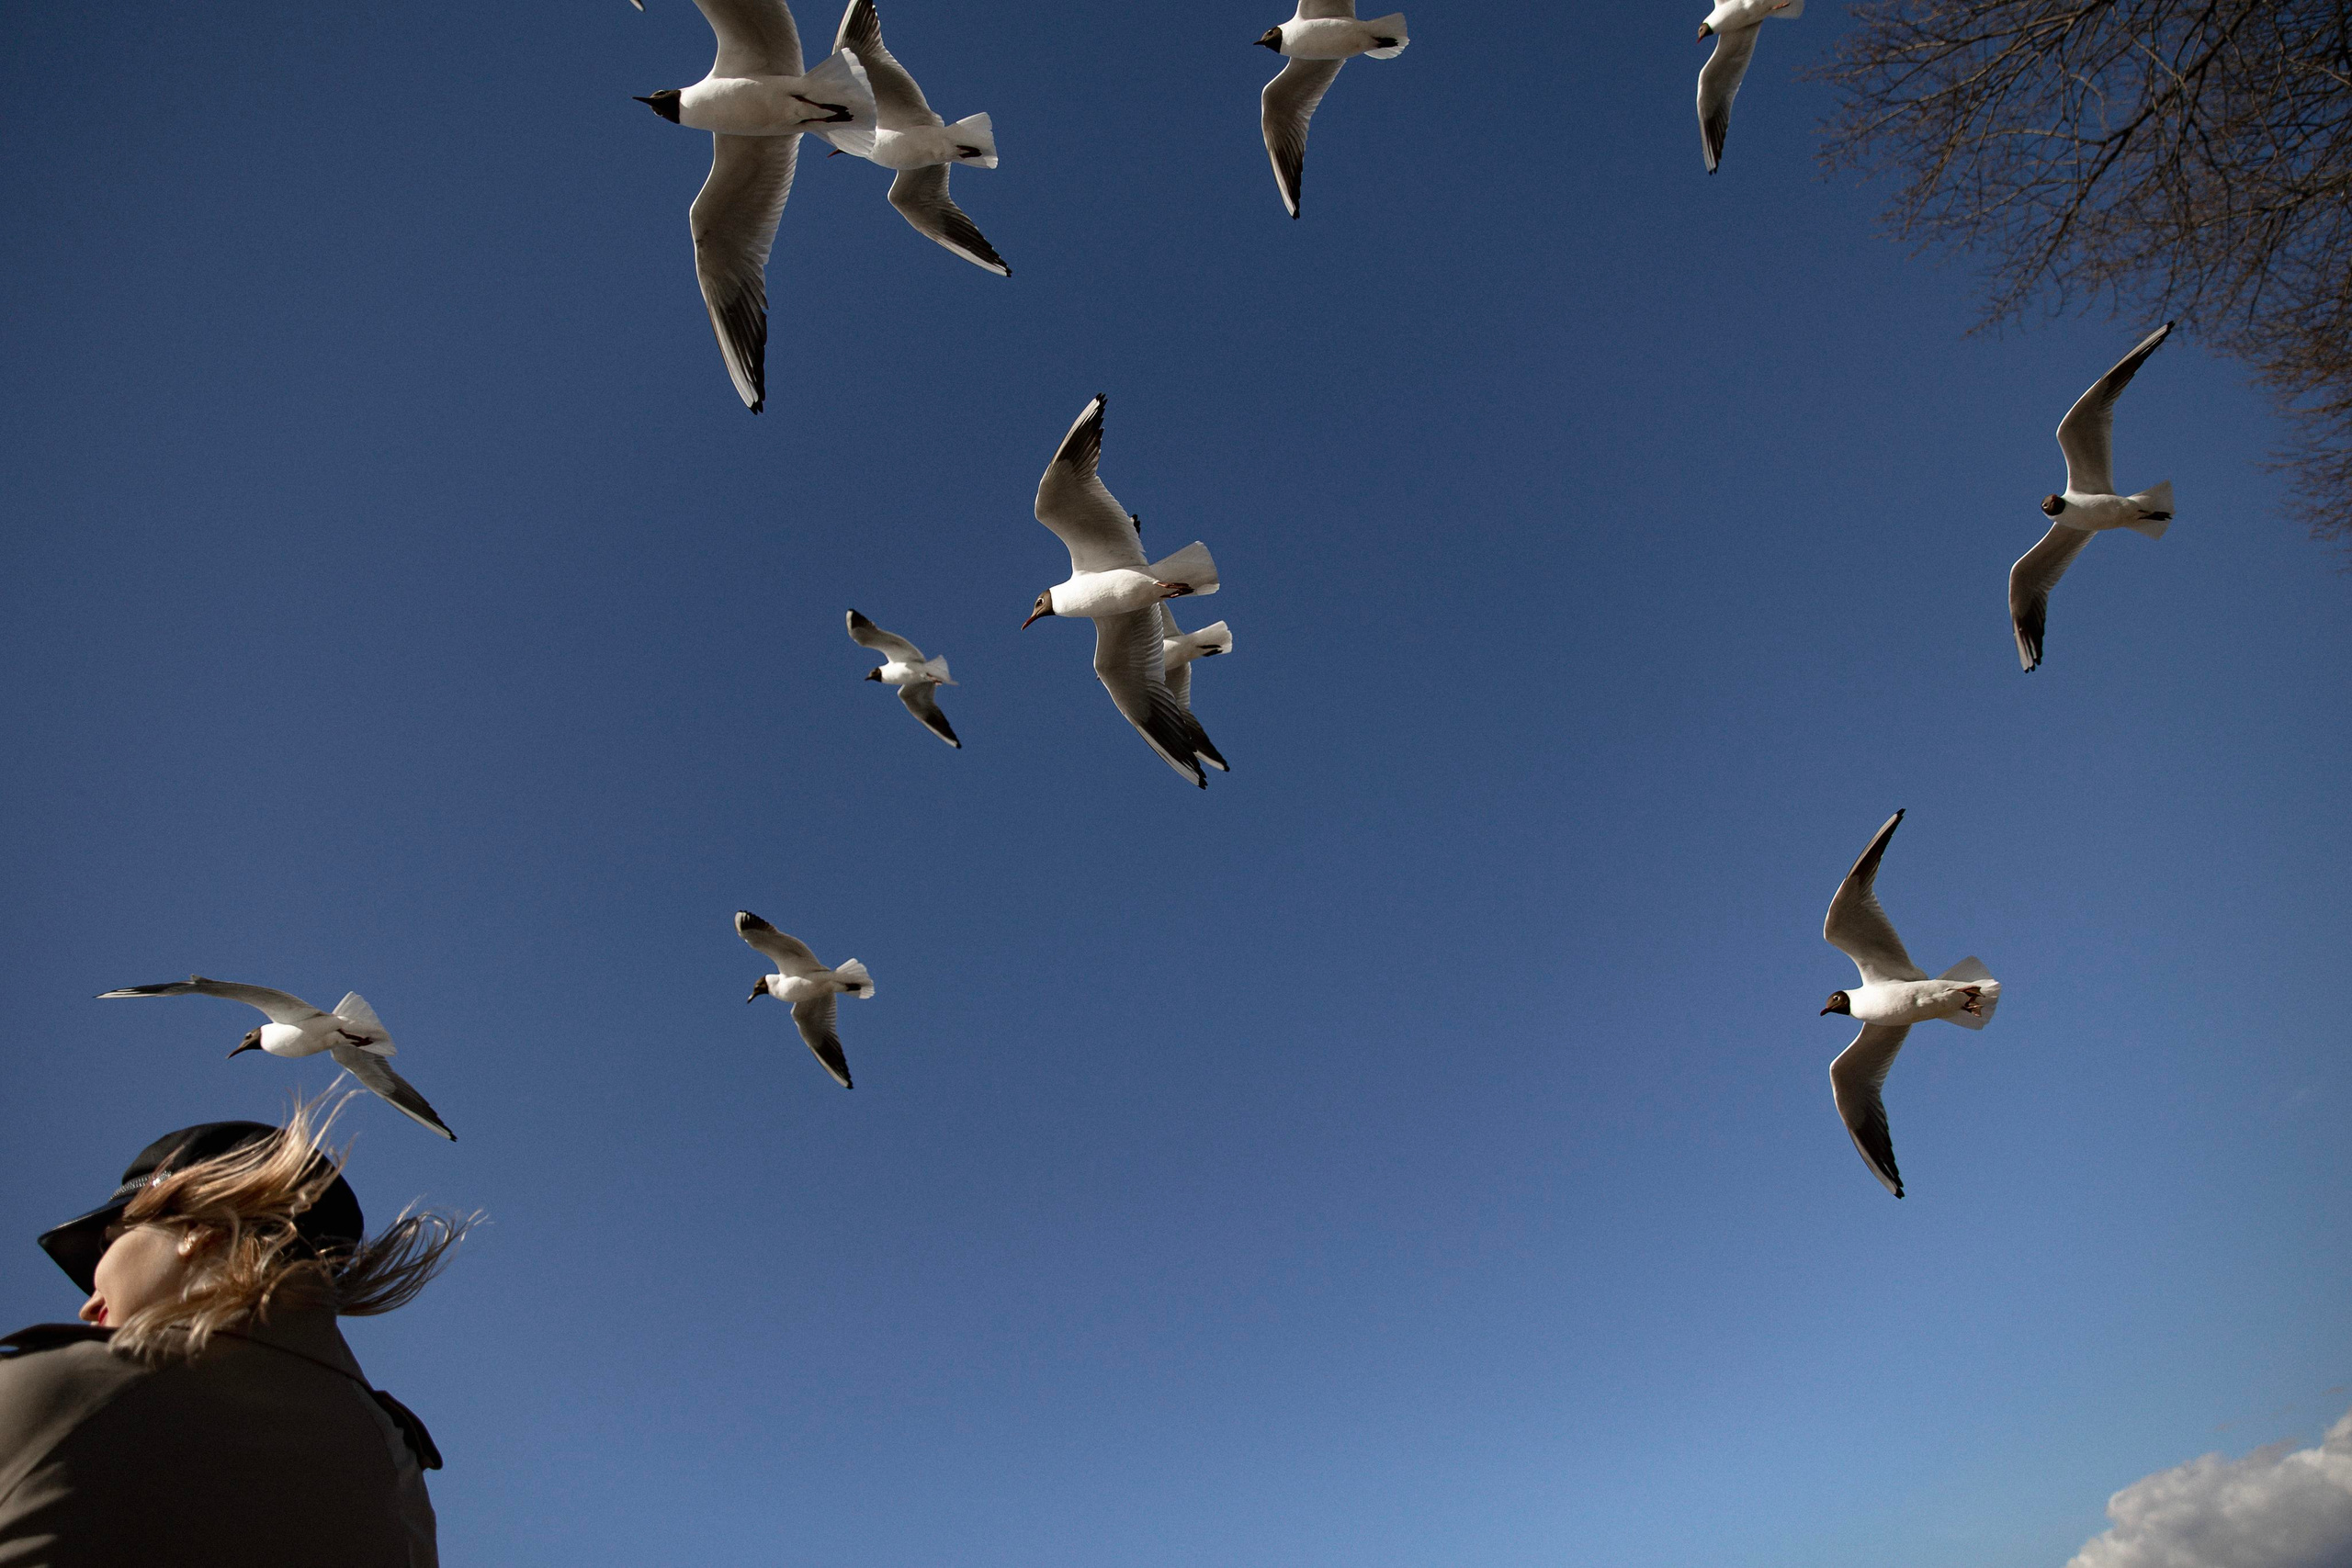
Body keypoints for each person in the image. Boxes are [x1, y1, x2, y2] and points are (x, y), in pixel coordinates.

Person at [0, 1097, 470, 1567]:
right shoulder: (397, 1476)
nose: (89, 1304)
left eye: (109, 1242)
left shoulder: (57, 1393)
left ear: (200, 1227)